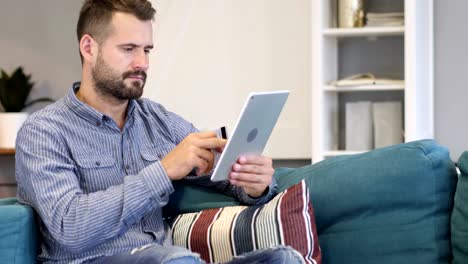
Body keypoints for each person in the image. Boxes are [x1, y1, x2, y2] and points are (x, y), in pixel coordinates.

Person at [15, 1, 303, 263]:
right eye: (129, 49)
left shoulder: (157, 120)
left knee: (283, 259)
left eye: (147, 49)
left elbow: (227, 176)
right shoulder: (44, 131)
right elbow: (69, 228)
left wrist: (255, 184)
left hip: (170, 259)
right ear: (89, 48)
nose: (143, 63)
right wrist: (163, 170)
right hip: (96, 260)